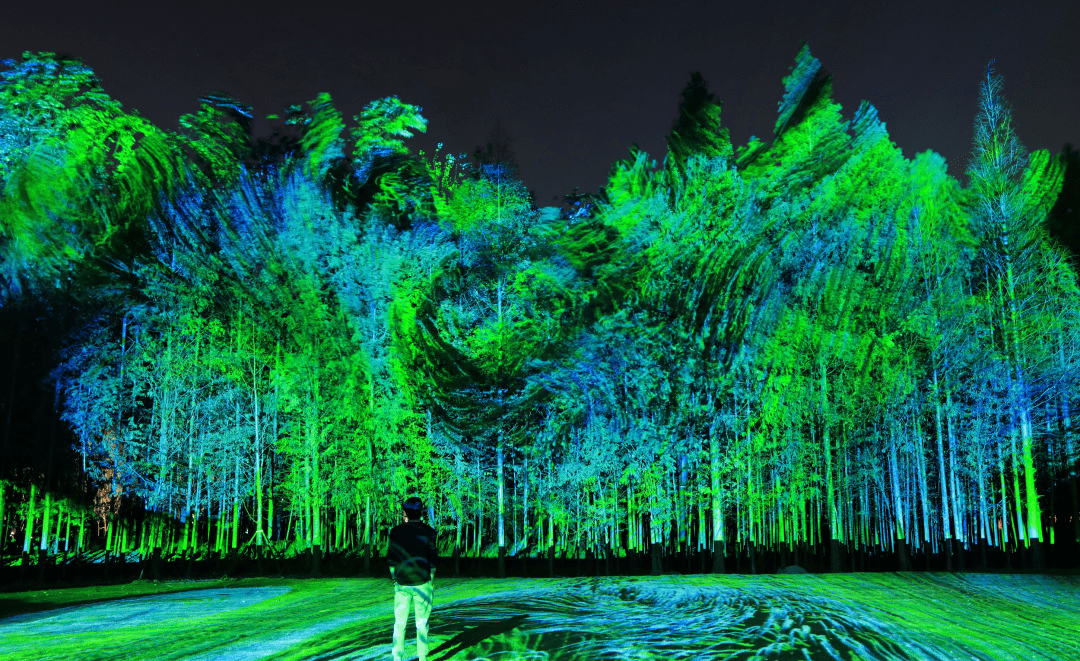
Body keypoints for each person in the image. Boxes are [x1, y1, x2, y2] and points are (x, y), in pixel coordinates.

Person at [387, 496, 438, 661]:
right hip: (422, 583)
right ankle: (422, 657)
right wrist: (430, 579)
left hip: (402, 584)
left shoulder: (395, 532)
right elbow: (433, 561)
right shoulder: (429, 532)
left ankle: (397, 657)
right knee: (422, 624)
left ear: (405, 512)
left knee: (399, 624)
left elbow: (391, 558)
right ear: (421, 512)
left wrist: (394, 577)